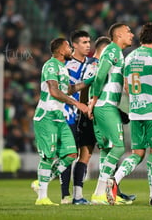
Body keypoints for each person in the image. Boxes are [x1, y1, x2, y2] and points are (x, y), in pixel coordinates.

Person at [107, 22, 152, 206]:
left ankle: (115, 179)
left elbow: (128, 87)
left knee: (137, 153)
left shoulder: (129, 57)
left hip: (135, 112)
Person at [31, 38, 90, 205]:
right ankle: (42, 198)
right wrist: (77, 103)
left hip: (59, 116)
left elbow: (68, 90)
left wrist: (88, 82)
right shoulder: (50, 65)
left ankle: (42, 181)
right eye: (68, 46)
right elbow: (55, 91)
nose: (71, 49)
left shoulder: (62, 69)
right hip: (46, 116)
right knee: (48, 157)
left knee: (71, 154)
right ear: (60, 50)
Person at [88, 23, 134, 205]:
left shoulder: (118, 53)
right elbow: (100, 76)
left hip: (107, 105)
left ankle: (102, 195)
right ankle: (100, 191)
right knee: (119, 147)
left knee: (107, 149)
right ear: (119, 35)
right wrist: (93, 99)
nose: (131, 34)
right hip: (105, 104)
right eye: (128, 31)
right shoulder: (112, 50)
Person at [60, 30, 91, 205]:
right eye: (84, 42)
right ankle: (65, 195)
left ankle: (77, 195)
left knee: (85, 153)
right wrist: (87, 82)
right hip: (68, 114)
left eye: (89, 42)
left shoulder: (92, 63)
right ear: (75, 46)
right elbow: (66, 90)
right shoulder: (66, 65)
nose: (88, 45)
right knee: (69, 153)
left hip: (85, 115)